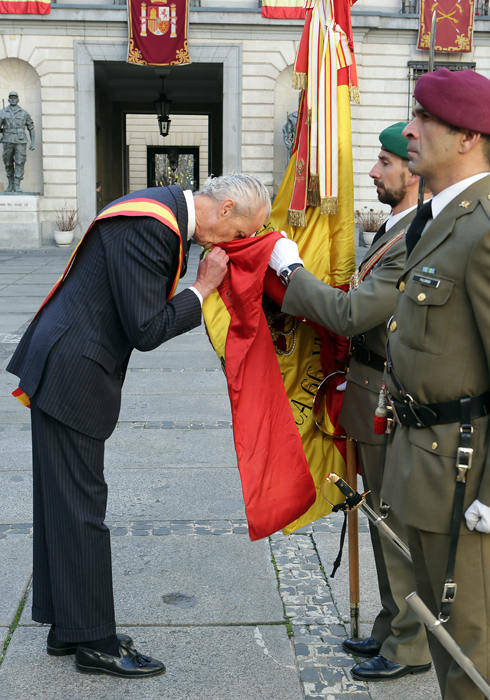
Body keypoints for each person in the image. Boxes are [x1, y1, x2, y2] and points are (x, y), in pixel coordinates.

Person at [7, 174, 271, 679]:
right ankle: (97, 644)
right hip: (74, 372)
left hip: (67, 362)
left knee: (63, 503)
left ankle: (70, 627)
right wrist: (203, 288)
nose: (238, 243)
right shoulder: (154, 226)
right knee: (82, 507)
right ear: (227, 207)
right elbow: (146, 328)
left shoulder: (161, 210)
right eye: (242, 232)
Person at [268, 123, 432, 681]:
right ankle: (391, 628)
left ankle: (410, 645)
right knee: (384, 524)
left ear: (413, 171)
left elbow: (352, 314)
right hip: (370, 400)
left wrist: (289, 272)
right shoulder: (395, 230)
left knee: (398, 530)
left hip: (391, 401)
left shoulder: (414, 237)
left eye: (385, 162)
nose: (372, 172)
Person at [377, 68, 490, 700]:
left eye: (424, 122)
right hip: (422, 460)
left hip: (466, 474)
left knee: (471, 652)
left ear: (468, 135)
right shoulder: (437, 217)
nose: (410, 131)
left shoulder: (484, 226)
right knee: (442, 636)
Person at [0, 91, 35, 193]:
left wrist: (32, 142)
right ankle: (10, 184)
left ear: (18, 100)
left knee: (20, 162)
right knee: (7, 162)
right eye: (11, 98)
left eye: (15, 98)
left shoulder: (24, 113)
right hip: (7, 139)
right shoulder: (2, 112)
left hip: (20, 141)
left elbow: (31, 127)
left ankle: (16, 185)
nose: (13, 99)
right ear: (8, 100)